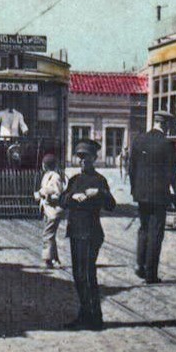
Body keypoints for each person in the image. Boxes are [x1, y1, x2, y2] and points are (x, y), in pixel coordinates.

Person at [61, 139, 116, 331]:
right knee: (78, 275)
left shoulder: (100, 180)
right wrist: (72, 196)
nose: (83, 161)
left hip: (91, 232)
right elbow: (62, 200)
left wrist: (98, 193)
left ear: (94, 158)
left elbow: (111, 205)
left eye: (87, 157)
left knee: (87, 274)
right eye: (80, 157)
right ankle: (85, 314)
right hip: (76, 232)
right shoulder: (74, 180)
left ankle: (94, 317)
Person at [129, 110, 176, 284]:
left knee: (143, 229)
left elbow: (132, 169)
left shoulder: (138, 140)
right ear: (165, 125)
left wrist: (134, 190)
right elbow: (173, 172)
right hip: (159, 196)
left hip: (141, 194)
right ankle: (151, 274)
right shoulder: (167, 144)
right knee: (156, 233)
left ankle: (139, 265)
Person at [34, 153, 66, 268]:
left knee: (47, 234)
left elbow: (57, 193)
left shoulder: (55, 176)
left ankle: (47, 259)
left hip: (54, 211)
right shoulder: (47, 175)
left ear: (45, 165)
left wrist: (43, 193)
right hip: (48, 210)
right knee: (50, 235)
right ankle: (55, 259)